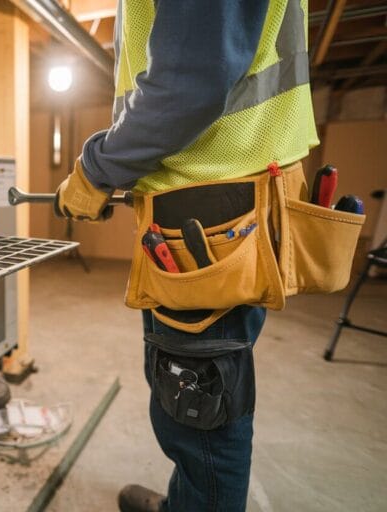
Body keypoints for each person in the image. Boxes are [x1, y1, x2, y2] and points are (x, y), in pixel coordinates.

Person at [54, 1, 317, 511]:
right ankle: (188, 501)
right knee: (207, 393)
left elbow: (188, 84)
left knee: (199, 408)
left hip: (208, 209)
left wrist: (95, 171)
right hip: (243, 194)